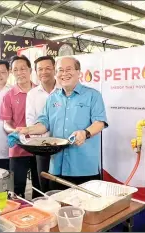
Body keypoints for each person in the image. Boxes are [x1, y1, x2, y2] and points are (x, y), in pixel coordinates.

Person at [16, 56, 108, 190]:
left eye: (68, 69)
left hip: (83, 165)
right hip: (57, 165)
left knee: (85, 206)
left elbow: (100, 122)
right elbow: (44, 123)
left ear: (78, 72)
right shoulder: (53, 98)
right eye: (60, 70)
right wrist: (27, 130)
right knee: (58, 205)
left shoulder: (93, 95)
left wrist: (85, 133)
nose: (64, 74)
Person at [0, 55, 40, 198]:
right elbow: (6, 123)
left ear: (30, 70)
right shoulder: (9, 95)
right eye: (15, 70)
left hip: (40, 147)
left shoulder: (41, 92)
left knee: (40, 187)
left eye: (23, 69)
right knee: (16, 189)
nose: (19, 72)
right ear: (12, 73)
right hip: (18, 148)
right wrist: (13, 131)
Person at [26, 56, 58, 192]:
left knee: (60, 184)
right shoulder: (32, 94)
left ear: (54, 69)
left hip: (63, 145)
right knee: (43, 183)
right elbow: (30, 120)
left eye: (48, 68)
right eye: (40, 69)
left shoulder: (64, 90)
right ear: (36, 72)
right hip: (42, 146)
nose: (44, 72)